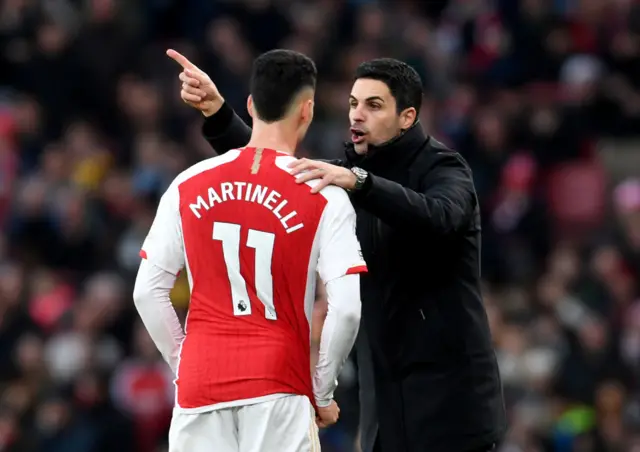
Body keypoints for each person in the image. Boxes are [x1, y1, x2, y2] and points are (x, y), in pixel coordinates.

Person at [171, 51, 507, 452]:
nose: (356, 115)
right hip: (383, 396)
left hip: (450, 401)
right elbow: (273, 168)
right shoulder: (344, 175)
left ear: (408, 117)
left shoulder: (444, 169)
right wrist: (218, 113)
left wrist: (361, 183)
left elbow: (442, 216)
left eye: (373, 105)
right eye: (352, 104)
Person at [133, 49, 367, 452]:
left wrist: (183, 363)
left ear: (250, 105)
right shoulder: (323, 194)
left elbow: (146, 293)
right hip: (278, 386)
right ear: (307, 111)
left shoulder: (188, 182)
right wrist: (322, 393)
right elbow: (346, 309)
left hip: (199, 389)